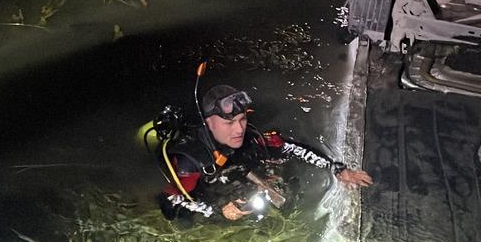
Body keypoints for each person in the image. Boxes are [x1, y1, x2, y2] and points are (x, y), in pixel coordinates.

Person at [153, 84, 372, 221]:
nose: (239, 129)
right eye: (229, 123)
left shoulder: (251, 137)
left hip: (234, 176)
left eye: (242, 120)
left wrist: (337, 169)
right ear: (208, 123)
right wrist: (218, 210)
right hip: (205, 187)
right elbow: (172, 206)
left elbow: (290, 148)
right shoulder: (189, 162)